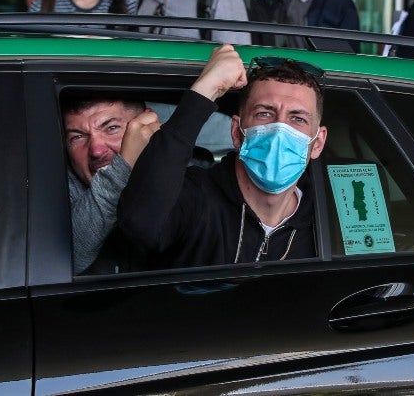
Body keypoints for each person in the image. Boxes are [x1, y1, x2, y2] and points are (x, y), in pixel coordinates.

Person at [118, 45, 327, 269]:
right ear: (236, 132)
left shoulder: (328, 219)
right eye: (264, 114)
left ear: (318, 143)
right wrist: (205, 89)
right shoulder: (194, 196)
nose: (279, 131)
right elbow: (141, 226)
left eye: (297, 119)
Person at [62, 98, 160, 274]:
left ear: (149, 125)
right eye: (77, 136)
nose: (96, 150)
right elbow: (61, 258)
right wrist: (125, 165)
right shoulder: (51, 187)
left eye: (111, 128)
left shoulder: (189, 177)